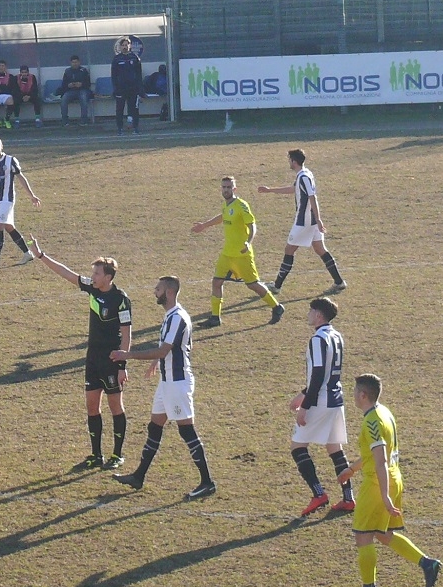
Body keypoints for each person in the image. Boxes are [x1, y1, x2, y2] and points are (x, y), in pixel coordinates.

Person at [336, 374, 442, 587]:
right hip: (393, 478)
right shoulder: (383, 412)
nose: (352, 395)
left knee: (363, 535)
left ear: (363, 395)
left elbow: (380, 460)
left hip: (377, 484)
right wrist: (352, 469)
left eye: (354, 391)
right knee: (383, 534)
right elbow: (375, 454)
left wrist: (383, 495)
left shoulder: (372, 422)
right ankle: (427, 563)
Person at [28, 238, 131, 470]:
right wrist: (41, 255)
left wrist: (122, 365)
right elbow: (67, 273)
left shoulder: (121, 300)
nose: (92, 276)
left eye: (96, 273)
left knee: (116, 407)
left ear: (108, 277)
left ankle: (117, 454)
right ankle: (96, 455)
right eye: (92, 273)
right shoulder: (92, 288)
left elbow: (126, 334)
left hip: (112, 361)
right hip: (92, 359)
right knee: (92, 407)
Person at [110, 276, 216, 500]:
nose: (154, 292)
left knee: (187, 431)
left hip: (177, 384)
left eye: (158, 289)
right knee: (154, 426)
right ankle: (138, 476)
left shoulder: (177, 317)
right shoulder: (171, 316)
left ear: (168, 292)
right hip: (167, 382)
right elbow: (171, 349)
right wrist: (156, 363)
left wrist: (127, 355)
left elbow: (163, 350)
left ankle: (207, 482)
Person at [289, 297, 355, 516]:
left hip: (321, 400)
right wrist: (303, 393)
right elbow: (326, 373)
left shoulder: (317, 339)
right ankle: (348, 498)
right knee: (335, 448)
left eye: (310, 311)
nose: (308, 315)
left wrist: (305, 406)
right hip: (336, 399)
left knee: (298, 447)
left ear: (318, 315)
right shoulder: (336, 335)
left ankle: (318, 494)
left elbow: (318, 375)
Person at [190, 176, 284, 327]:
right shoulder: (226, 205)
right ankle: (215, 317)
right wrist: (205, 225)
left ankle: (277, 307)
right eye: (224, 187)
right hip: (227, 254)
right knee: (216, 282)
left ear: (234, 189)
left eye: (229, 187)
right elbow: (223, 216)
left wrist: (248, 241)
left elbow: (252, 225)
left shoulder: (242, 205)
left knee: (253, 284)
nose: (226, 190)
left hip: (242, 254)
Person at [258, 149, 346, 294]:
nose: (289, 162)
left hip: (304, 222)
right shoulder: (305, 174)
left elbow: (312, 197)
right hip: (311, 221)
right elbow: (294, 189)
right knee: (320, 249)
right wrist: (270, 190)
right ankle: (339, 282)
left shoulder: (304, 177)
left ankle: (277, 286)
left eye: (289, 160)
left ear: (294, 161)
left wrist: (318, 219)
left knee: (289, 250)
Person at [0, 137, 40, 269]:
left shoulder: (10, 160)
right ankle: (27, 253)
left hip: (8, 200)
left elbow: (21, 178)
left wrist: (31, 195)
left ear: (2, 146)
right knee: (9, 227)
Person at [111, 36, 143, 135]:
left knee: (134, 109)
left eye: (126, 45)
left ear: (130, 46)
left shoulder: (135, 58)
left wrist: (140, 88)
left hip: (133, 88)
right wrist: (115, 88)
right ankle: (120, 128)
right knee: (119, 109)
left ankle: (135, 127)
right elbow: (113, 75)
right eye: (123, 45)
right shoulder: (116, 59)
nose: (125, 47)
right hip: (121, 88)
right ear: (120, 47)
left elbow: (139, 74)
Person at [59, 55, 92, 126]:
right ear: (70, 63)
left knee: (83, 98)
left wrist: (81, 84)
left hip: (82, 90)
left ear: (79, 62)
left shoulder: (84, 71)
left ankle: (84, 120)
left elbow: (88, 83)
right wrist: (69, 85)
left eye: (76, 62)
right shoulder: (67, 71)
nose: (75, 64)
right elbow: (64, 84)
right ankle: (65, 120)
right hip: (70, 91)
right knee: (64, 99)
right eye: (73, 62)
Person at [0, 60, 18, 129]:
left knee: (10, 102)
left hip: (7, 94)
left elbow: (12, 87)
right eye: (0, 66)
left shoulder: (11, 76)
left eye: (3, 66)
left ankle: (6, 120)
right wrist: (4, 86)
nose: (1, 67)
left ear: (5, 67)